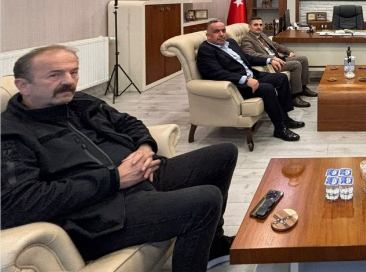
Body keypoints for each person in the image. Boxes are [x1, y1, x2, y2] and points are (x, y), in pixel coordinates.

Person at [1, 45, 238, 272]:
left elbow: (128, 123)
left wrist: (145, 148)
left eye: (73, 72)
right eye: (54, 75)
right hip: (100, 214)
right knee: (205, 200)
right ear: (23, 85)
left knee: (223, 153)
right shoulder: (11, 134)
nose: (68, 81)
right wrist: (114, 179)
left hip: (139, 176)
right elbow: (18, 204)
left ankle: (213, 247)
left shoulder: (80, 102)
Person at [197, 20, 304, 141]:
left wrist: (269, 60)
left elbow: (247, 58)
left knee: (281, 78)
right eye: (216, 31)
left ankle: (285, 119)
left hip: (253, 75)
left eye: (223, 30)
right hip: (237, 85)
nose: (221, 34)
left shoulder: (230, 43)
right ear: (208, 35)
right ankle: (280, 129)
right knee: (268, 89)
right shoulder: (206, 50)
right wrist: (244, 79)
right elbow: (216, 72)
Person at [241, 16, 317, 108]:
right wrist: (272, 58)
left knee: (303, 59)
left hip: (278, 58)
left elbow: (275, 45)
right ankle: (294, 96)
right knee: (296, 65)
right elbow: (251, 54)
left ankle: (303, 88)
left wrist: (289, 51)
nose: (259, 27)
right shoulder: (247, 39)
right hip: (269, 64)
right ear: (249, 26)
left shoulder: (262, 35)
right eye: (255, 25)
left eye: (260, 25)